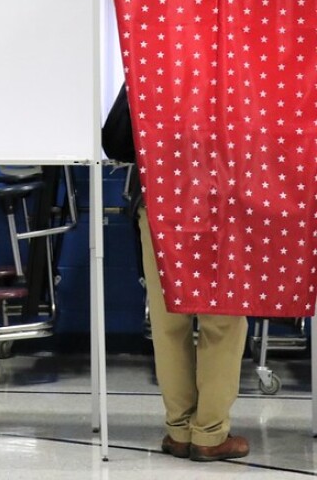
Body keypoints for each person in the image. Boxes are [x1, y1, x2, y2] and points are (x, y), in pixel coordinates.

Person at [104, 84, 249, 463]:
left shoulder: (153, 53)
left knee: (169, 320)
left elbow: (116, 142)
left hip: (159, 196)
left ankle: (179, 430)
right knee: (224, 318)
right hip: (225, 197)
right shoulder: (238, 58)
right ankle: (210, 433)